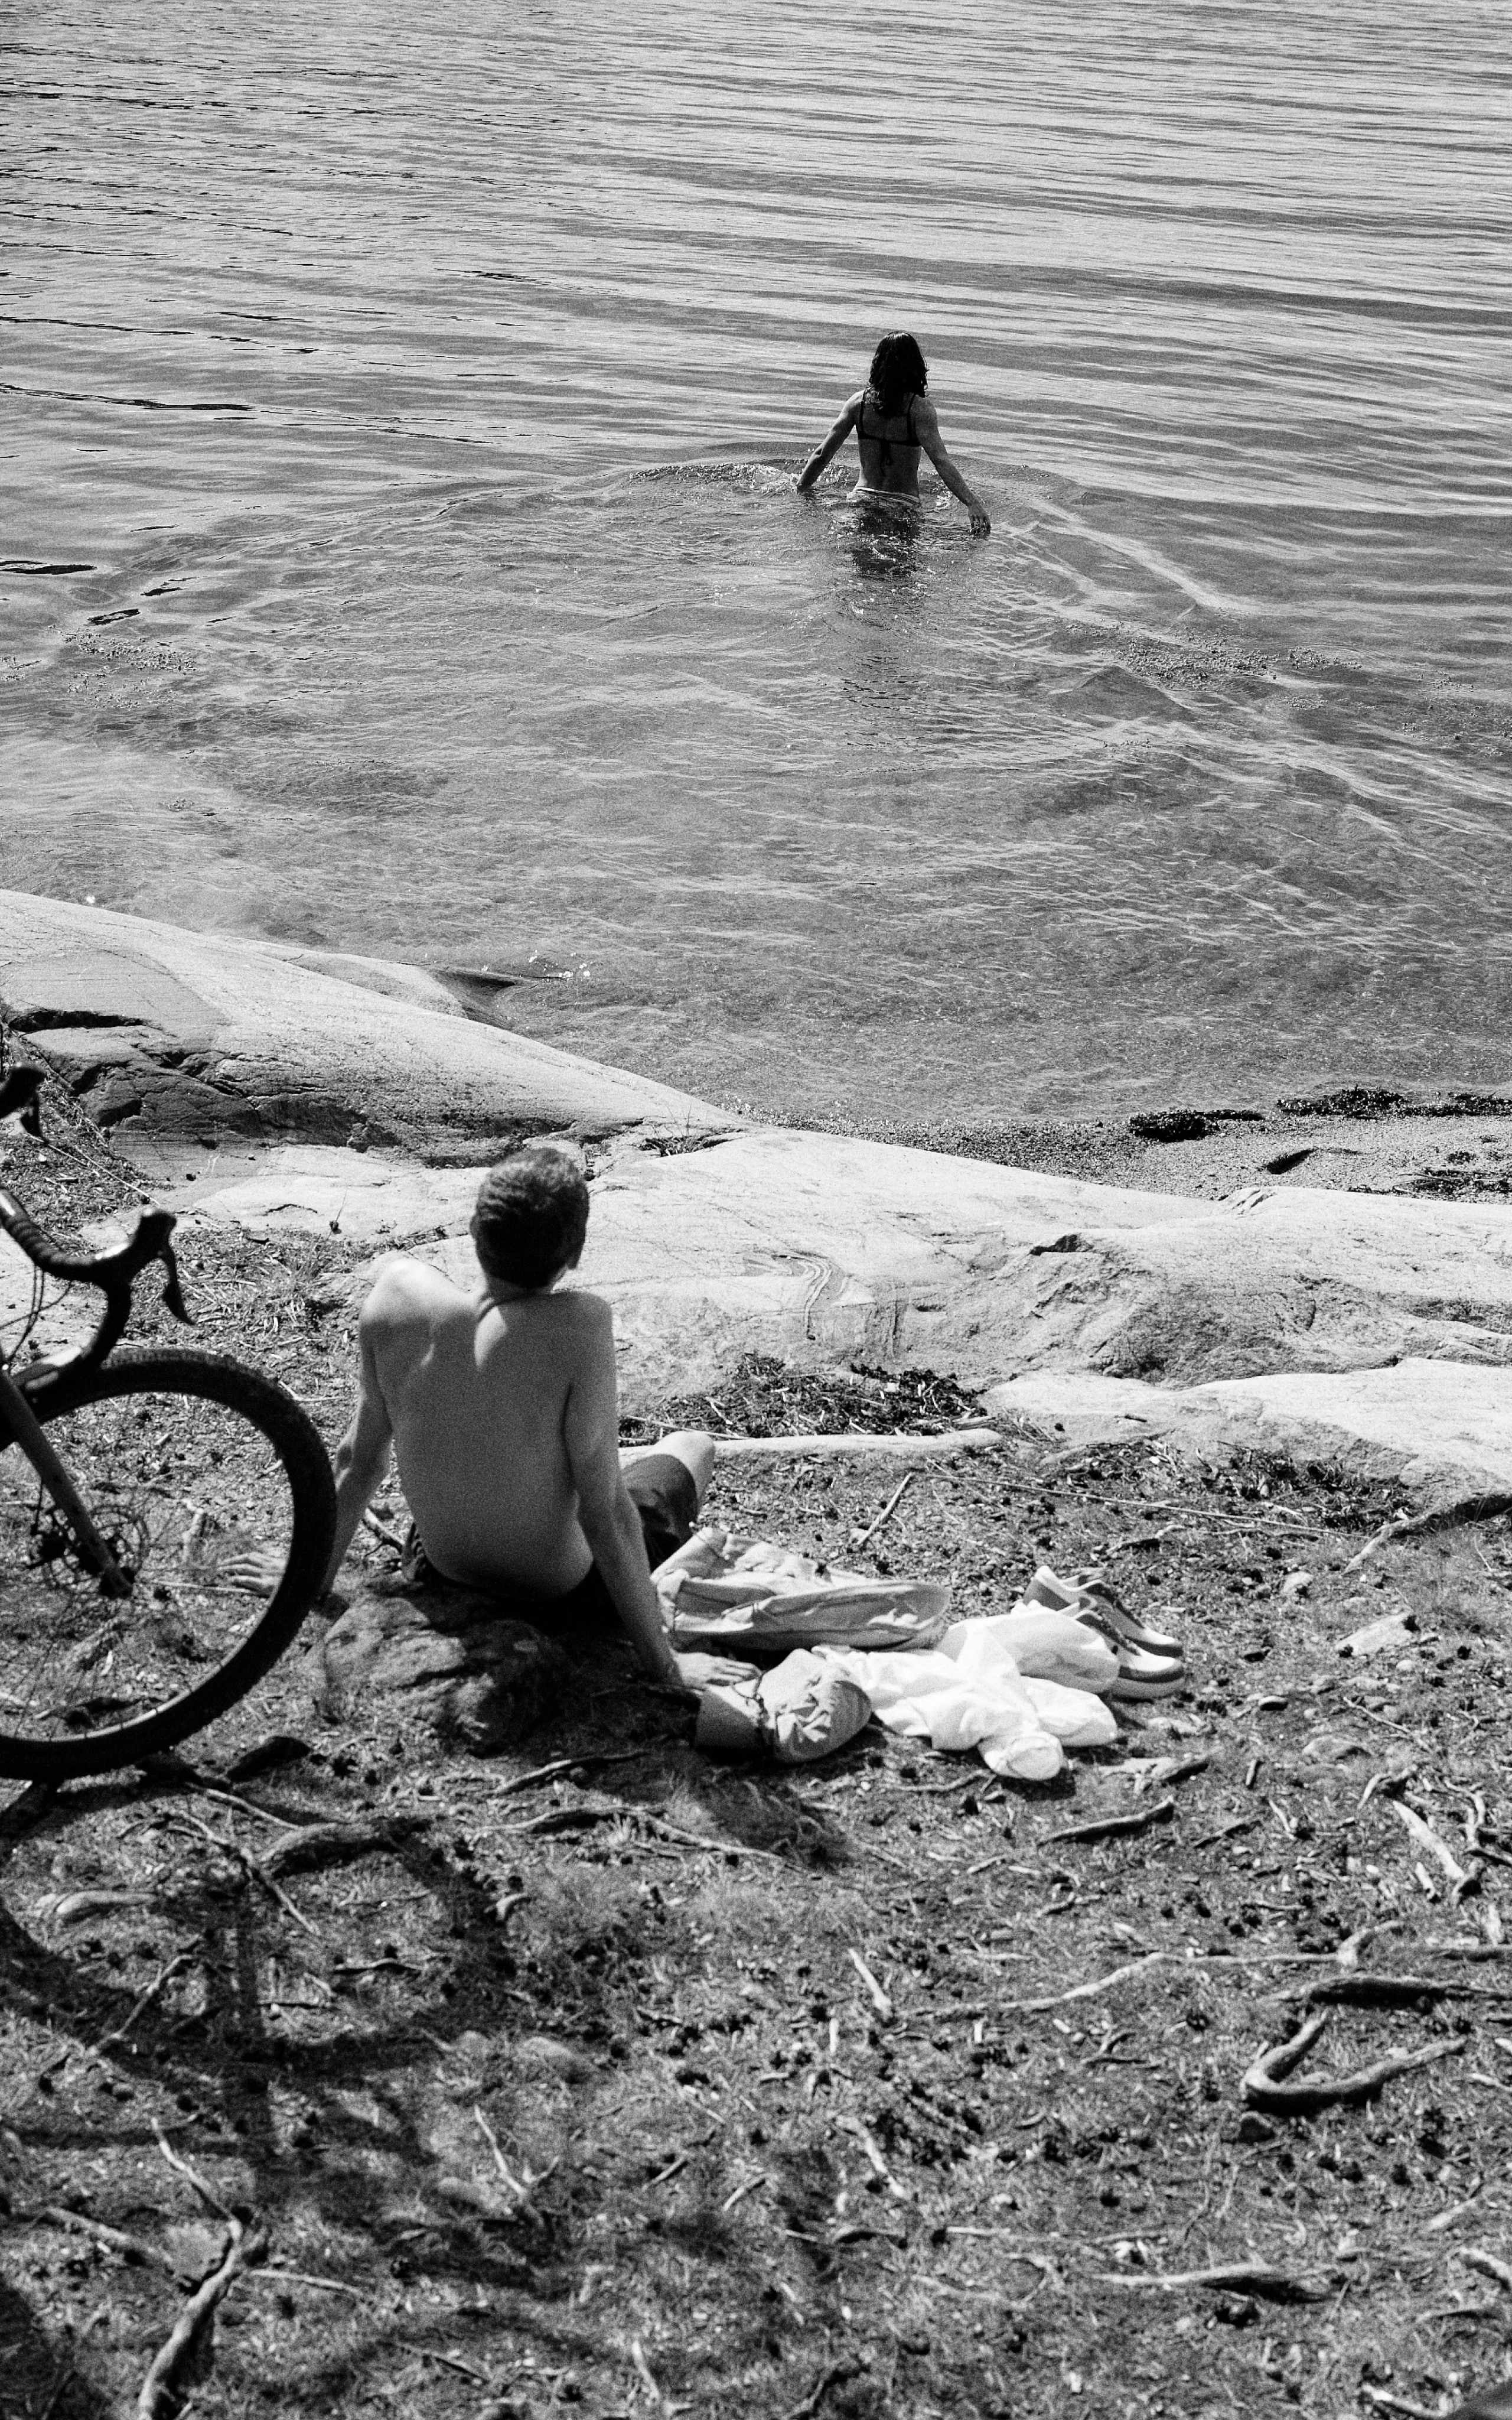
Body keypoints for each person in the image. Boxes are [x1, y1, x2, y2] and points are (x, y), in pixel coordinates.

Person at [317, 1143, 754, 1698]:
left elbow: (357, 1463)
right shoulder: (579, 1326)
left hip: (439, 1567)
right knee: (693, 1447)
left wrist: (308, 1584)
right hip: (562, 1595)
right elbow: (606, 1515)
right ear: (573, 1255)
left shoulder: (395, 1293)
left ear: (475, 1229)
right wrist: (666, 1668)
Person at [796, 331, 990, 535]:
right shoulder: (919, 410)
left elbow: (822, 455)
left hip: (862, 499)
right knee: (902, 564)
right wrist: (972, 502)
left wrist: (801, 490)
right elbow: (941, 462)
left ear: (878, 364)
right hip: (903, 504)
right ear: (915, 366)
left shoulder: (857, 404)